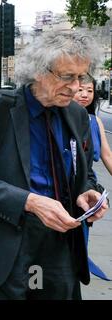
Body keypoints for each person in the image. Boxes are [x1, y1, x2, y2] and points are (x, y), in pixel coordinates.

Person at [0, 30, 108, 300]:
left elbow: (84, 173)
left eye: (81, 77)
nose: (75, 87)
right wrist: (31, 201)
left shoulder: (77, 115)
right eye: (66, 76)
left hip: (62, 245)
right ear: (39, 71)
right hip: (9, 243)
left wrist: (88, 191)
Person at [72, 79, 111, 285]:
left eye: (89, 90)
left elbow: (107, 155)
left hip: (87, 187)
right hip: (65, 187)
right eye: (80, 90)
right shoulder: (61, 117)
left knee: (80, 240)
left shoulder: (95, 121)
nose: (85, 94)